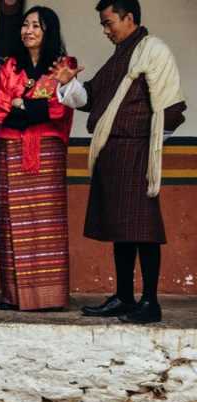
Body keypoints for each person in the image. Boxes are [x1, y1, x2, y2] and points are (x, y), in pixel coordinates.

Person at [51, 0, 186, 324]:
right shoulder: (121, 56)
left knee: (144, 230)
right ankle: (125, 296)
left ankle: (150, 302)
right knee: (122, 230)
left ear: (129, 18)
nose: (105, 29)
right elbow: (91, 98)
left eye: (109, 22)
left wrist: (149, 147)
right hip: (111, 154)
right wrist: (68, 82)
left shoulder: (153, 50)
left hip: (137, 152)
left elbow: (172, 108)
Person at [0, 6, 75, 311]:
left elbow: (60, 110)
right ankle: (14, 296)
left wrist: (22, 105)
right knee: (14, 218)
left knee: (47, 221)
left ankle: (50, 297)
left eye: (36, 26)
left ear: (48, 31)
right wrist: (34, 109)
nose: (28, 31)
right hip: (12, 148)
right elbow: (1, 111)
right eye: (25, 25)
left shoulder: (62, 67)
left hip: (48, 151)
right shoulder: (10, 68)